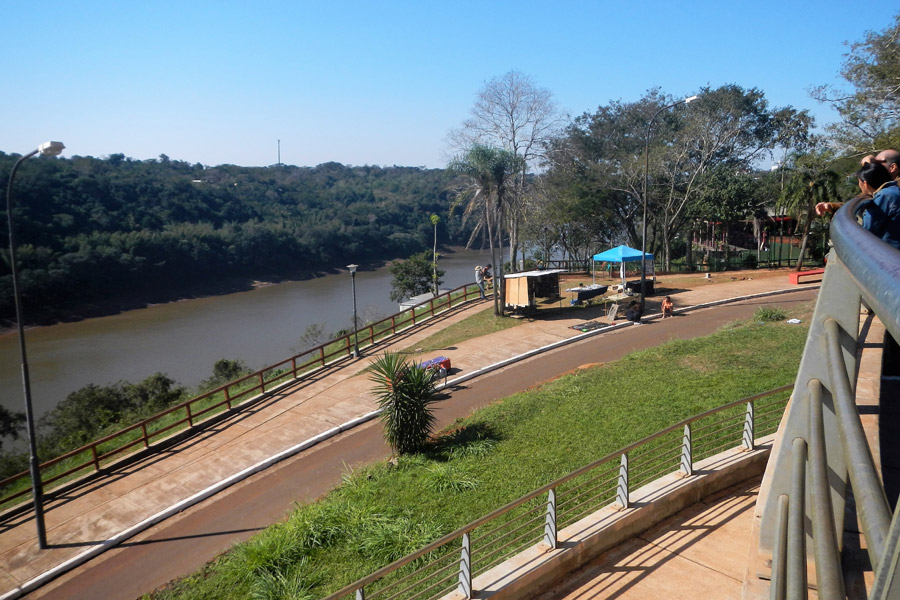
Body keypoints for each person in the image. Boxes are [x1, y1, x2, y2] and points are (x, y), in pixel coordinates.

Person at [816, 149, 900, 217]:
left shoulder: (891, 191)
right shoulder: (884, 189)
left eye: (877, 163)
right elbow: (860, 204)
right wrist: (831, 206)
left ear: (892, 167)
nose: (873, 166)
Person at [855, 161, 900, 250]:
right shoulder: (895, 190)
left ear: (865, 184)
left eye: (859, 182)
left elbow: (868, 230)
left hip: (891, 254)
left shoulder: (884, 197)